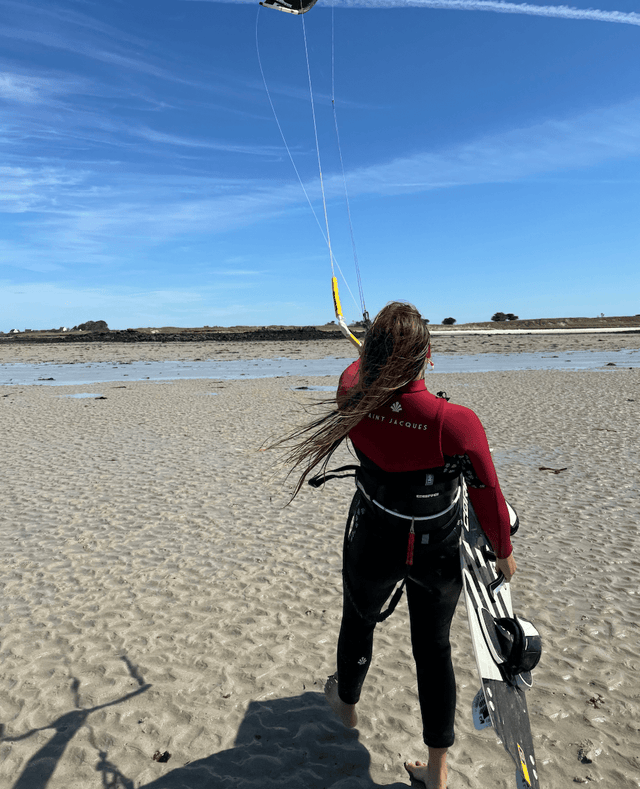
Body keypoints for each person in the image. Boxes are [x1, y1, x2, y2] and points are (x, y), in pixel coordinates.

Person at [279, 302, 516, 789]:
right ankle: (437, 773)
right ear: (428, 357)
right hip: (437, 545)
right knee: (432, 649)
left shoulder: (352, 394)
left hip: (374, 534)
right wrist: (503, 551)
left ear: (373, 357)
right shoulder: (456, 421)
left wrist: (367, 359)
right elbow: (487, 492)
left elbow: (352, 373)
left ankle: (346, 711)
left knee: (358, 619)